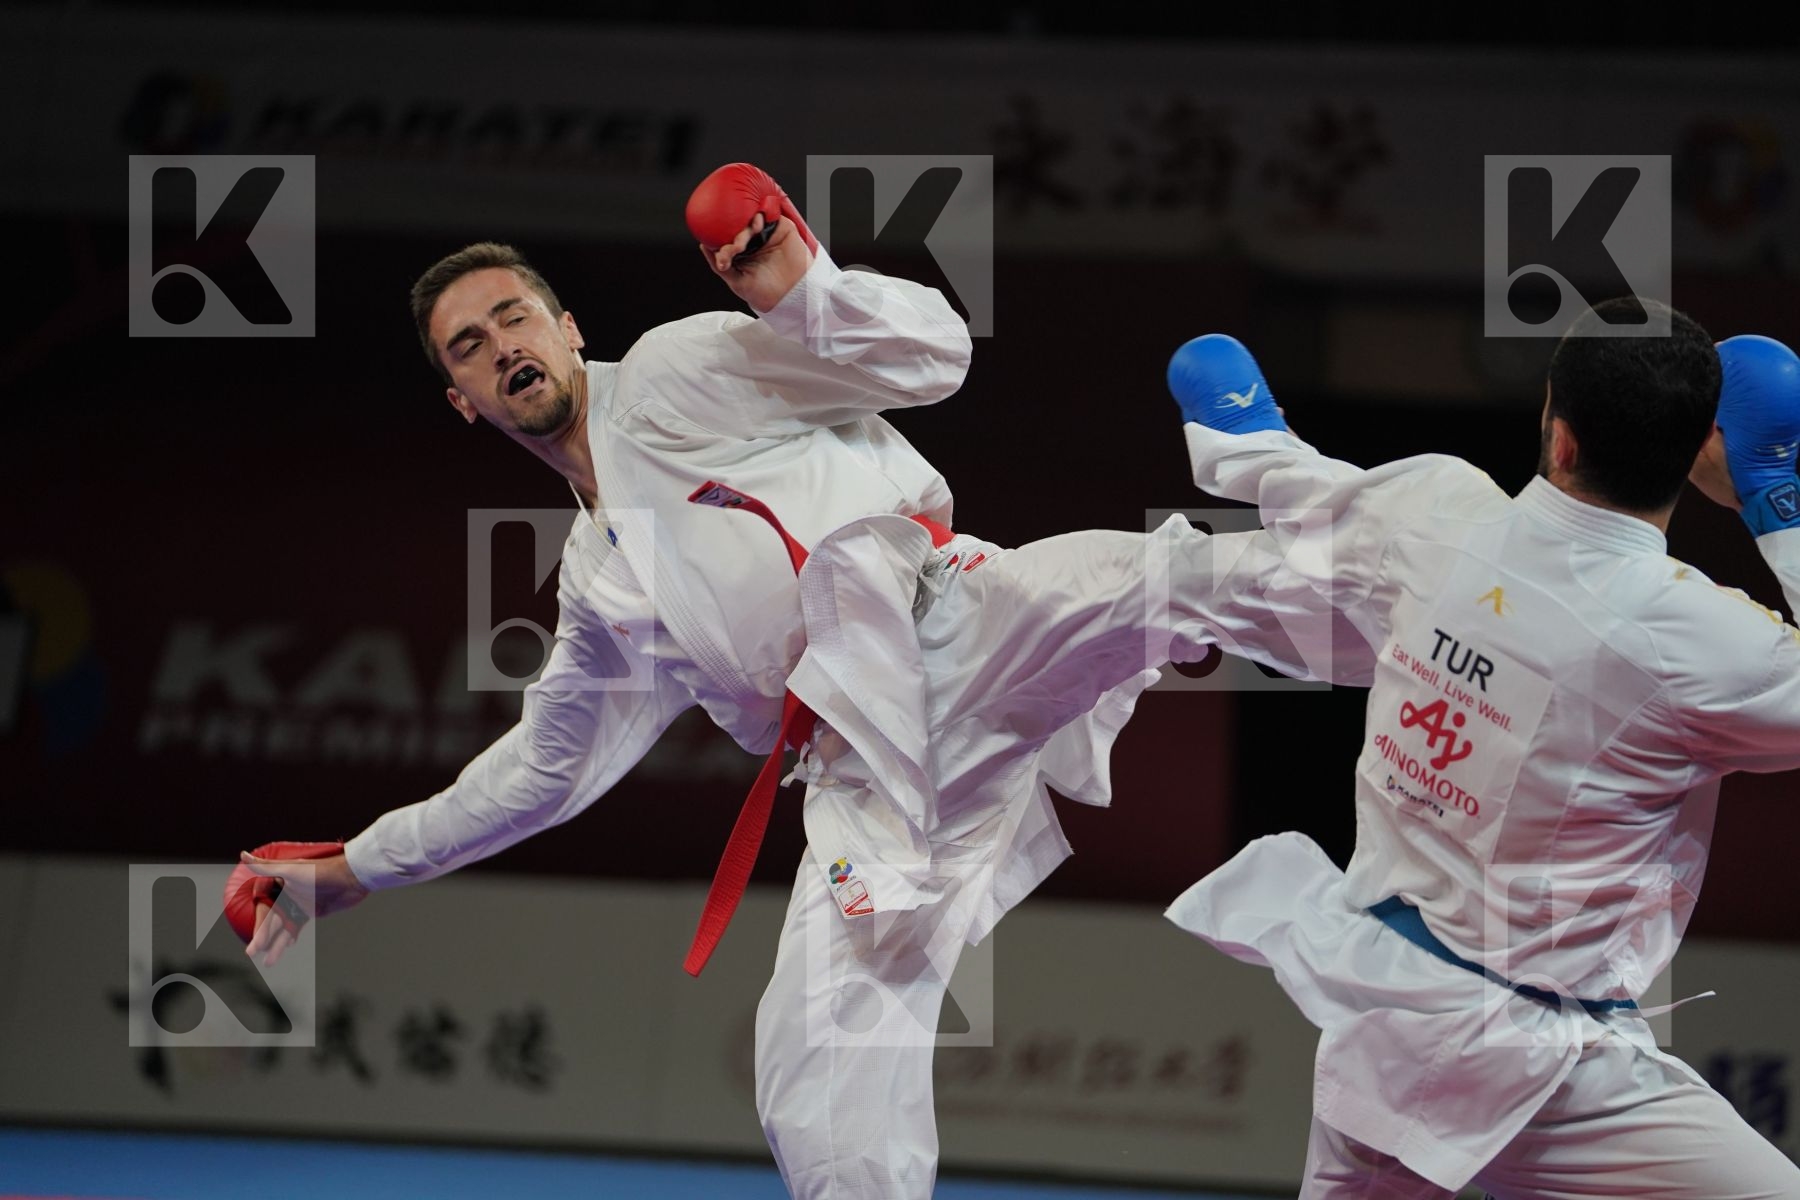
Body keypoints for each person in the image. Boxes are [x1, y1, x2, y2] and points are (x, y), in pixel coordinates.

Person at [232, 163, 1324, 1199]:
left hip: (952, 622)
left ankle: (1344, 530)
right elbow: (538, 776)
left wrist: (800, 287)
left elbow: (933, 358)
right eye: (470, 347)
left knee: (1174, 583)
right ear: (463, 399)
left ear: (567, 329)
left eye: (514, 316)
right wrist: (355, 869)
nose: (502, 346)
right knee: (813, 1074)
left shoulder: (673, 373)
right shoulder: (601, 588)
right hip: (862, 782)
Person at [1161, 305, 1800, 1198]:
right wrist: (1774, 496)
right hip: (1541, 1063)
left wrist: (1239, 425)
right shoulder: (1698, 637)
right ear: (1701, 453)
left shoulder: (1435, 507)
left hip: (1387, 1008)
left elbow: (1303, 487)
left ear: (1558, 431)